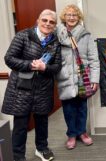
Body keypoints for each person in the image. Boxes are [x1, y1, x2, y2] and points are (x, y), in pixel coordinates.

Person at [1, 9, 62, 161]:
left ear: (55, 25)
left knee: (42, 122)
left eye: (51, 22)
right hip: (22, 89)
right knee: (21, 125)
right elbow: (9, 58)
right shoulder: (23, 35)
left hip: (43, 89)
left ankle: (42, 149)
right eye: (45, 20)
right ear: (38, 20)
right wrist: (30, 65)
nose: (47, 24)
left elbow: (57, 66)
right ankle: (18, 156)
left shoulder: (55, 42)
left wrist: (45, 68)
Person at [56, 4, 100, 150]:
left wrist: (94, 79)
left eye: (74, 15)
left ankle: (82, 132)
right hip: (65, 77)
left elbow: (94, 58)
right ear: (64, 17)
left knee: (82, 107)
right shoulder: (57, 34)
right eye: (68, 14)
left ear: (79, 17)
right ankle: (71, 134)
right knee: (68, 108)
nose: (71, 17)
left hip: (83, 77)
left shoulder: (86, 35)